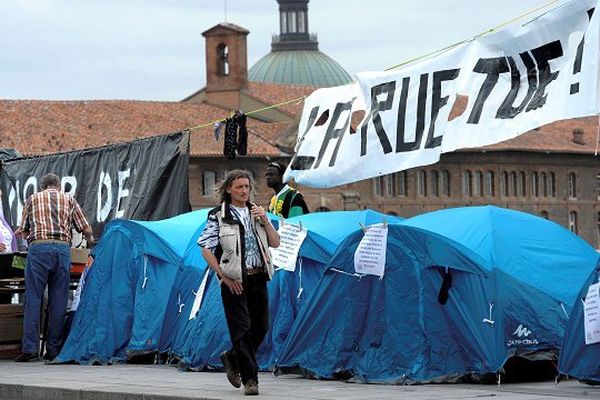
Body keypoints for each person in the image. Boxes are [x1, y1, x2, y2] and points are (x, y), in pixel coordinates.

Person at [197, 170, 279, 396]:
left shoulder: (257, 212)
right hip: (234, 279)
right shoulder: (219, 215)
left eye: (246, 187)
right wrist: (223, 276)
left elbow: (275, 243)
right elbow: (206, 249)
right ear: (228, 189)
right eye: (239, 187)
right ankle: (250, 380)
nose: (244, 191)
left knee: (260, 328)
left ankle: (232, 356)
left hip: (259, 276)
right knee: (241, 329)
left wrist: (266, 221)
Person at [14, 173, 93, 362]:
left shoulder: (32, 199)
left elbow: (24, 231)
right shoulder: (69, 200)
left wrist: (28, 233)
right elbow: (86, 229)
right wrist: (89, 242)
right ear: (58, 186)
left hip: (39, 249)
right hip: (63, 250)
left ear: (42, 187)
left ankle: (30, 349)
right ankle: (54, 350)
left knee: (33, 299)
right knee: (58, 301)